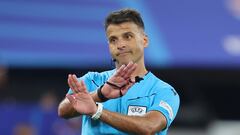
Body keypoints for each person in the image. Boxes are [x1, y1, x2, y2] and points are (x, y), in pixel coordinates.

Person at [58, 8, 180, 135]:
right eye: (113, 40)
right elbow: (63, 110)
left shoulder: (163, 91)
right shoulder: (92, 80)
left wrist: (97, 111)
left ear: (144, 40)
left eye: (128, 36)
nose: (120, 45)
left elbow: (149, 126)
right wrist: (100, 95)